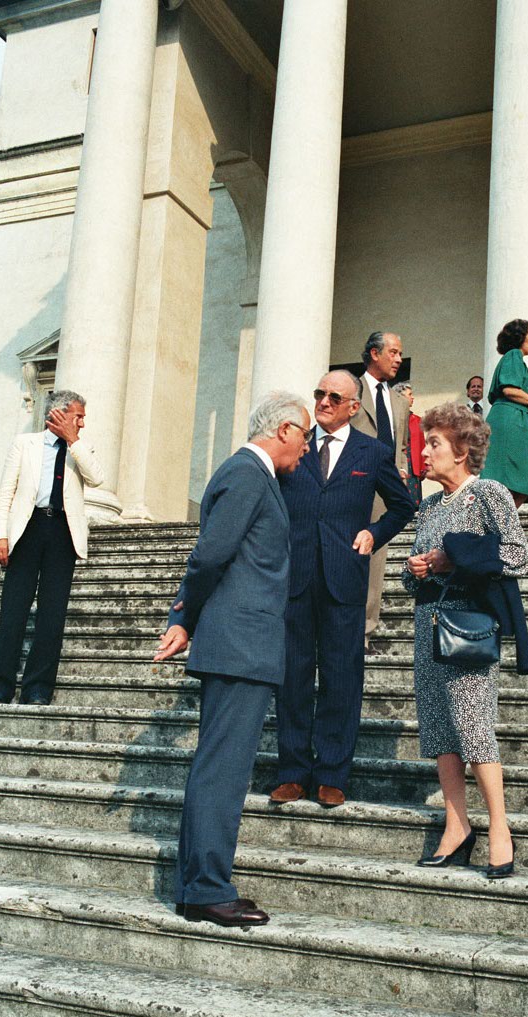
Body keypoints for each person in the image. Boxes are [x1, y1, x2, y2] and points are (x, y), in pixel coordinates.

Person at [154, 390, 311, 928]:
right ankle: (205, 888)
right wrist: (184, 617)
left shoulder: (254, 476)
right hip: (240, 644)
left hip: (242, 643)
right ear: (284, 430)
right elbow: (210, 555)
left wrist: (188, 619)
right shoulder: (247, 474)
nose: (307, 446)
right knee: (222, 770)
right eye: (305, 434)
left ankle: (198, 886)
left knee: (219, 767)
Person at [271, 371, 414, 808]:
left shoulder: (372, 452)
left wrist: (374, 533)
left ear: (354, 407)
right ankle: (292, 772)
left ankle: (332, 773)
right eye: (320, 393)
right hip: (294, 578)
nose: (324, 401)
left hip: (344, 578)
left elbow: (403, 506)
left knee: (342, 677)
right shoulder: (295, 445)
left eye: (335, 397)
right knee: (292, 677)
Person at [403, 402, 528, 877]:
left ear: (461, 450)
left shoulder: (488, 493)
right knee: (440, 729)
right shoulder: (429, 505)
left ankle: (500, 827)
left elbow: (517, 555)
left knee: (473, 726)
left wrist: (453, 558)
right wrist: (417, 568)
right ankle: (456, 826)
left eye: (434, 443)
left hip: (470, 624)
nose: (424, 451)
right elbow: (410, 576)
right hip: (428, 622)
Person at [0, 390, 103, 705]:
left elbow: (97, 478)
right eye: (78, 417)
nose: (82, 423)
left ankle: (38, 688)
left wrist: (73, 441)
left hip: (62, 532)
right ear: (58, 414)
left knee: (52, 614)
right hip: (27, 528)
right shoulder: (25, 443)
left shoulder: (81, 448)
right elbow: (6, 492)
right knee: (13, 610)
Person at [352, 331, 410, 647]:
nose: (398, 359)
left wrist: (401, 469)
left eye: (400, 353)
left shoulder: (399, 402)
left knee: (375, 558)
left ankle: (364, 628)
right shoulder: (352, 390)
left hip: (384, 490)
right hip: (350, 484)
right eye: (393, 352)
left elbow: (400, 444)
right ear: (374, 354)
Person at [480, 319, 528, 507]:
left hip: (514, 419)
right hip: (509, 423)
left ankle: (503, 518)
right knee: (512, 476)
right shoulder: (513, 355)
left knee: (520, 479)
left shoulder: (514, 359)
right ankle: (500, 518)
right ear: (520, 338)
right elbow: (509, 389)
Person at [393, 381, 427, 508]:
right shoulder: (392, 418)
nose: (412, 397)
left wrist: (424, 466)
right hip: (397, 462)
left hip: (413, 466)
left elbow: (422, 444)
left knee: (413, 502)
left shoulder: (417, 420)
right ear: (400, 397)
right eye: (409, 394)